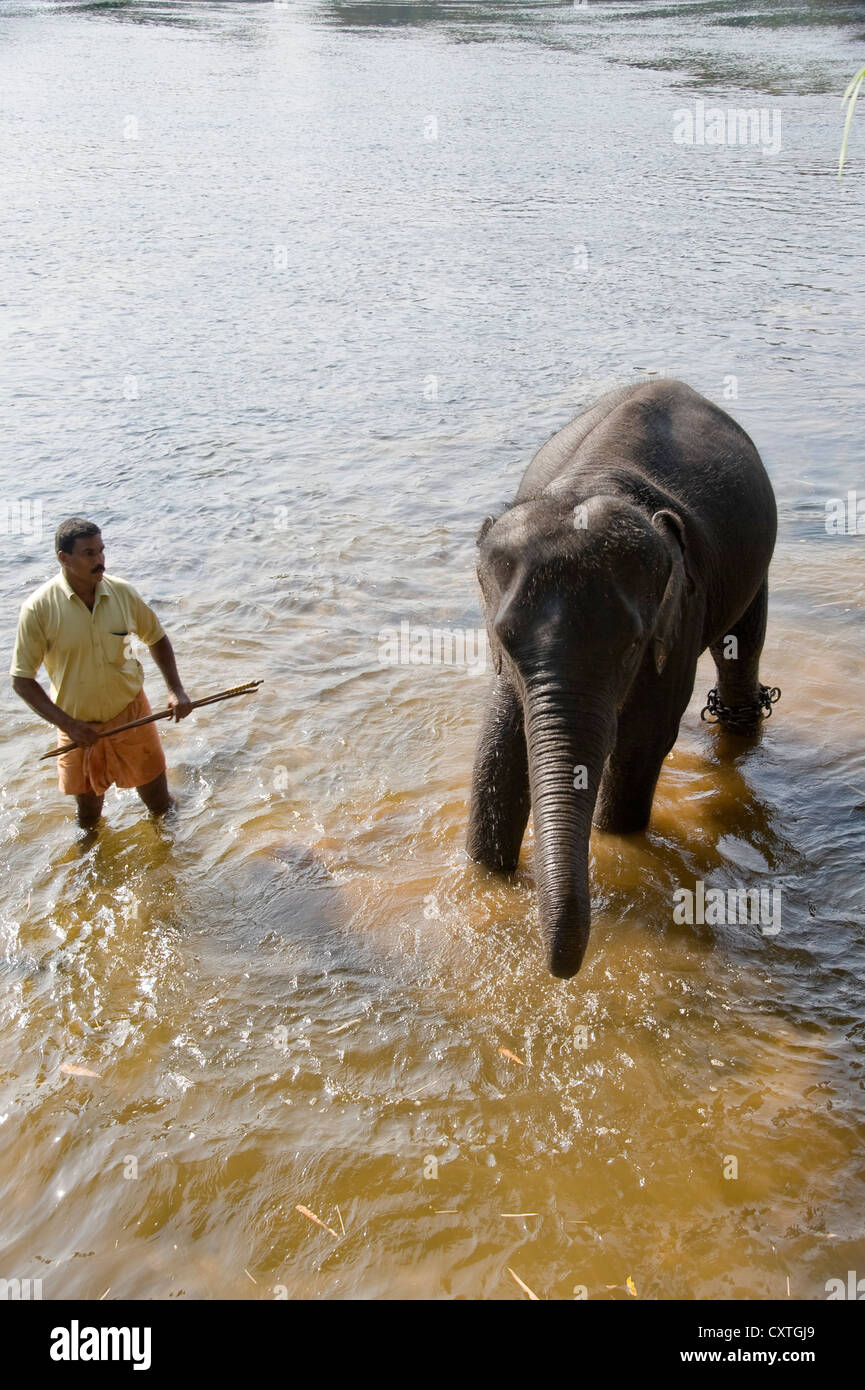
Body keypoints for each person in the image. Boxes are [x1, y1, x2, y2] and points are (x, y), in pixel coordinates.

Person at [10, 517, 192, 828]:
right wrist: (69, 725)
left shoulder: (122, 593)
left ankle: (178, 863)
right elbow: (22, 680)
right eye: (89, 554)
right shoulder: (38, 609)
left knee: (162, 807)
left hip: (132, 714)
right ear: (63, 558)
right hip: (78, 726)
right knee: (88, 820)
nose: (100, 561)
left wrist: (176, 690)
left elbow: (157, 639)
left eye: (101, 551)